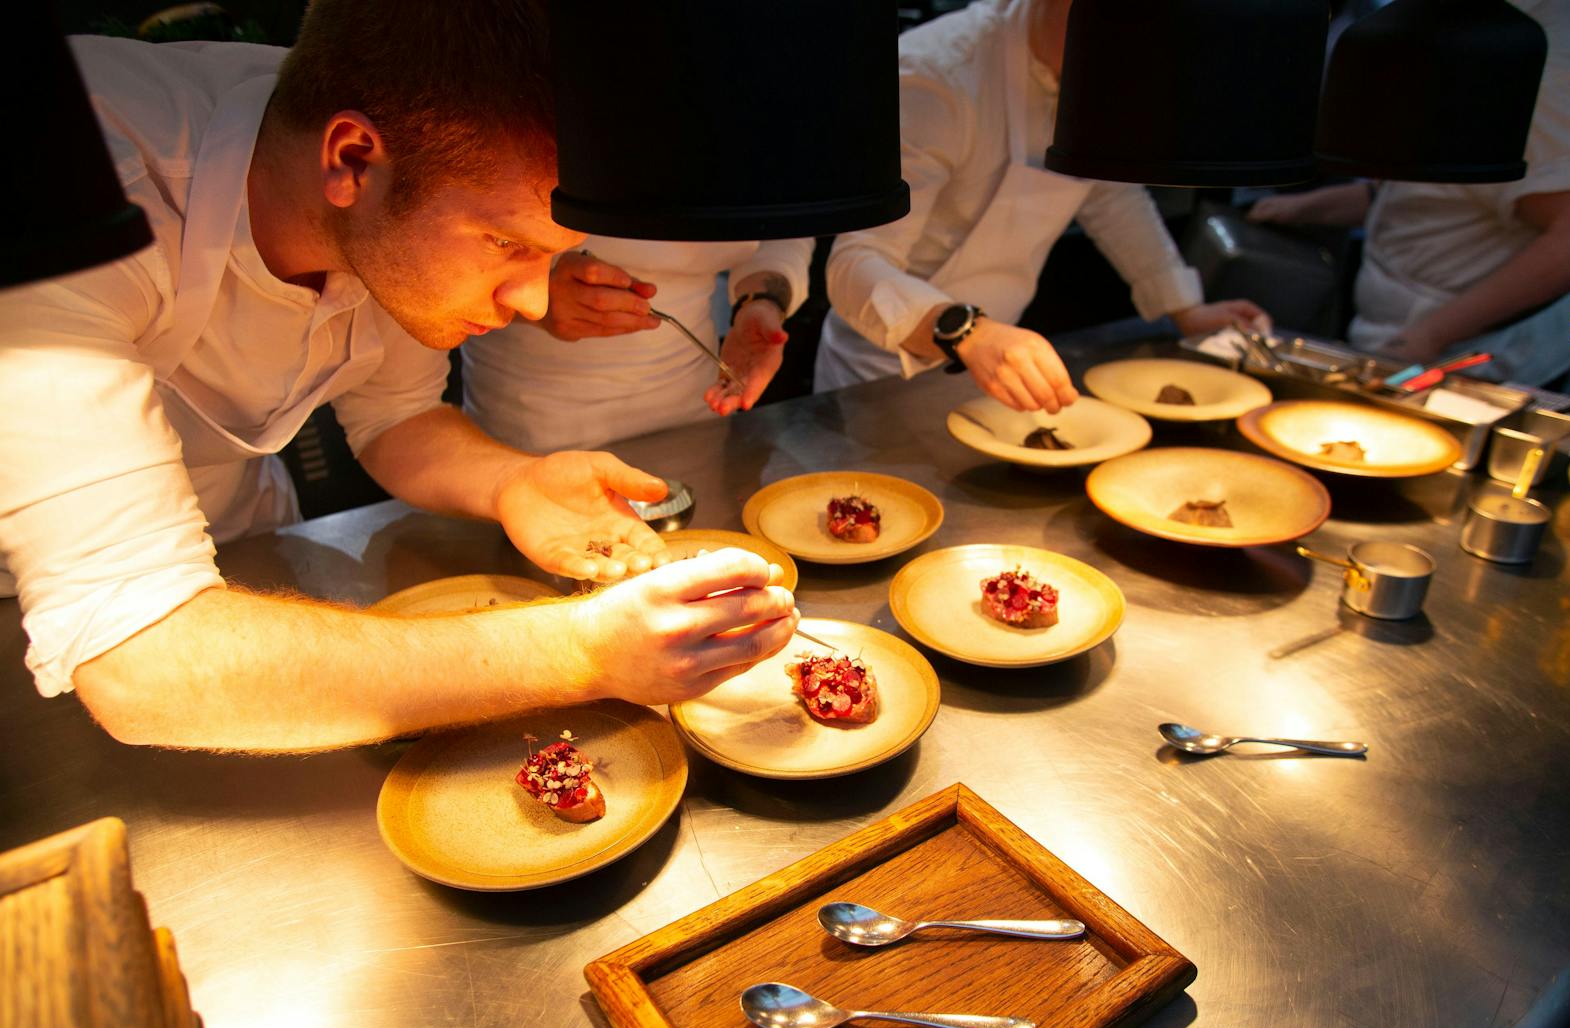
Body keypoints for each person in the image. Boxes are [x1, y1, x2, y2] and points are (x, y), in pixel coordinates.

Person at [0, 0, 798, 753]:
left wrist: (512, 482)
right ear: (351, 159)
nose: (530, 302)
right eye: (506, 245)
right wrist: (582, 651)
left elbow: (395, 418)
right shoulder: (72, 175)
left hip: (238, 544)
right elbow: (142, 660)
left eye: (551, 255)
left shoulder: (388, 190)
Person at [815, 0, 1271, 414]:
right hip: (875, 377)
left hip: (996, 370)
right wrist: (967, 332)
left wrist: (1184, 305)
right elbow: (855, 265)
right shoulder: (936, 75)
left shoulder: (1110, 72)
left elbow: (1109, 194)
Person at [1248, 0, 1570, 386]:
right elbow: (1442, 192)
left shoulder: (1544, 62)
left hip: (1468, 367)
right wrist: (1306, 208)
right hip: (1395, 338)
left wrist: (1431, 333)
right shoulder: (1445, 26)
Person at [461, 238, 813, 454]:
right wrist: (531, 298)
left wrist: (762, 300)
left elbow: (781, 224)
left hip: (693, 417)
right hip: (534, 428)